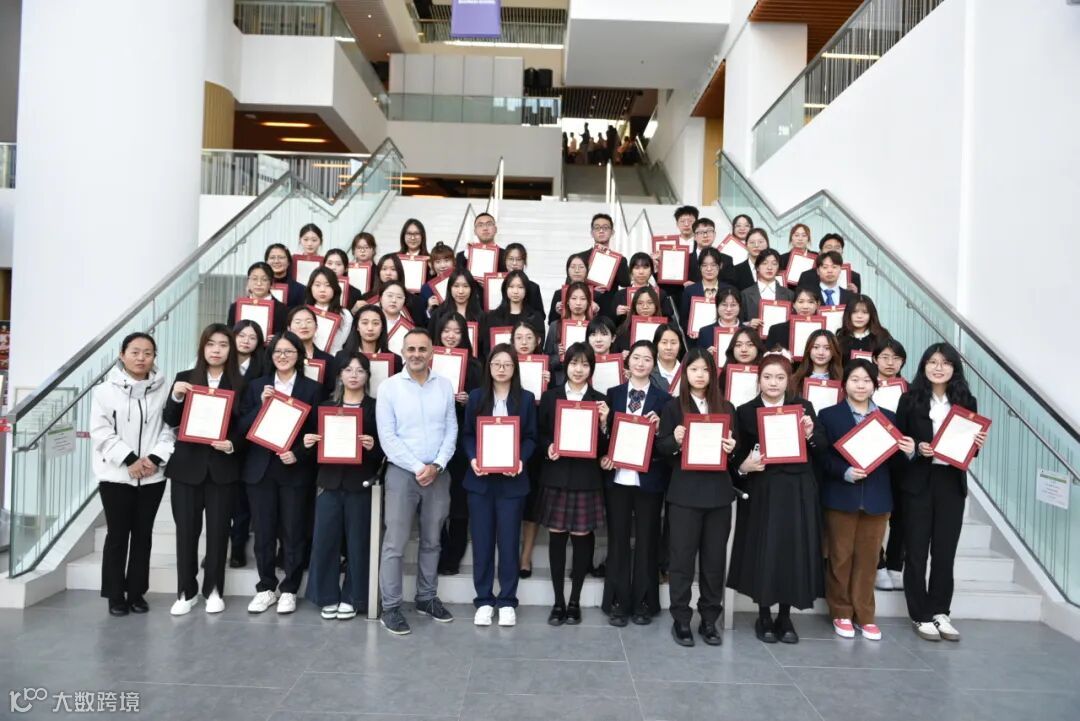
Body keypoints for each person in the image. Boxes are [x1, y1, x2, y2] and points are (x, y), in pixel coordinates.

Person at [728, 354, 825, 644]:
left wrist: (810, 435)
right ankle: (764, 615)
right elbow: (736, 456)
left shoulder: (803, 408)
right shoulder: (745, 411)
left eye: (780, 377)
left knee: (791, 551)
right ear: (759, 379)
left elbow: (821, 447)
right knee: (765, 550)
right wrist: (743, 467)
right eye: (768, 377)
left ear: (789, 381)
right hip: (763, 489)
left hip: (797, 489)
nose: (773, 383)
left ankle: (785, 616)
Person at [818, 359, 914, 640]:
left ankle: (865, 615)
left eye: (866, 381)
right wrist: (844, 472)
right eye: (855, 379)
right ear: (844, 383)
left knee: (869, 559)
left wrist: (909, 452)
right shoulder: (829, 415)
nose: (860, 385)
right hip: (841, 495)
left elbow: (894, 465)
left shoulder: (888, 418)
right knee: (840, 557)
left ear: (875, 385)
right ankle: (841, 612)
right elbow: (822, 457)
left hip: (877, 498)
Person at [897, 343, 987, 643]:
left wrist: (977, 444)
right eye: (933, 362)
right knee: (916, 551)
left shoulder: (966, 401)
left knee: (945, 551)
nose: (938, 368)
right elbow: (899, 442)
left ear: (954, 368)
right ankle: (920, 613)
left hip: (950, 482)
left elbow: (969, 449)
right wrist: (916, 448)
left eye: (945, 363)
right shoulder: (909, 399)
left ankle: (940, 611)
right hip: (918, 482)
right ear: (923, 365)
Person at [375, 328, 458, 635]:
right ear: (402, 352)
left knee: (433, 540)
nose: (416, 354)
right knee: (395, 544)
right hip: (402, 473)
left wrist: (437, 465)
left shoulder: (444, 386)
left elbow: (451, 429)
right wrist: (418, 466)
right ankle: (391, 607)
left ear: (432, 352)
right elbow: (387, 436)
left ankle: (426, 597)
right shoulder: (389, 388)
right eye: (411, 349)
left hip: (438, 473)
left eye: (422, 349)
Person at [657, 348, 738, 646]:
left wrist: (732, 449)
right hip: (685, 494)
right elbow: (661, 449)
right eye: (694, 369)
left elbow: (735, 452)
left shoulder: (726, 408)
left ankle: (708, 619)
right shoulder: (673, 408)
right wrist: (675, 441)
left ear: (713, 373)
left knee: (714, 561)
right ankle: (681, 619)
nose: (700, 375)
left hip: (718, 495)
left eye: (705, 369)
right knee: (681, 560)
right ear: (685, 373)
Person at [90, 332, 174, 616]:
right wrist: (129, 459)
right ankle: (115, 595)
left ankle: (137, 592)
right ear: (122, 355)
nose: (141, 358)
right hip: (116, 476)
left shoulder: (164, 389)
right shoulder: (104, 391)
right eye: (135, 352)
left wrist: (154, 458)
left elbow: (170, 429)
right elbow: (100, 432)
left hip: (152, 475)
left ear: (154, 357)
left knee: (143, 535)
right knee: (117, 536)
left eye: (148, 353)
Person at [163, 324, 245, 616]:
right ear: (202, 347)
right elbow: (170, 418)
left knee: (219, 533)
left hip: (222, 468)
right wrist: (176, 397)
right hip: (187, 468)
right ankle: (186, 592)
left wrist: (232, 444)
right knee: (186, 532)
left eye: (223, 344)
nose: (216, 350)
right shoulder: (185, 379)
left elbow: (245, 426)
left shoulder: (241, 383)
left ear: (230, 349)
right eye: (211, 344)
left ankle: (213, 590)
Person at [238, 331, 322, 615]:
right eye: (277, 352)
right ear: (270, 356)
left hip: (293, 469)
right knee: (263, 532)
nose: (282, 356)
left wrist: (298, 453)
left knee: (293, 531)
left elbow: (317, 432)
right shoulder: (256, 386)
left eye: (289, 351)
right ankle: (265, 587)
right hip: (260, 470)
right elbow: (241, 428)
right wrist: (261, 405)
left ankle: (289, 589)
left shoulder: (312, 389)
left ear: (299, 356)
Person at [303, 353, 383, 620]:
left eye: (360, 370)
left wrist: (373, 447)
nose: (354, 375)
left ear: (367, 376)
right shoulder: (325, 406)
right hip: (329, 482)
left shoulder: (375, 407)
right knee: (325, 540)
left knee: (359, 543)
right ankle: (326, 596)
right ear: (339, 375)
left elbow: (385, 449)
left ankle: (354, 597)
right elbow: (313, 448)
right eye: (348, 370)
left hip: (361, 483)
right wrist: (309, 444)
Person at [463, 345, 538, 626]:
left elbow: (531, 437)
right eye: (497, 363)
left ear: (514, 368)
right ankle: (483, 600)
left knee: (508, 543)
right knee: (482, 543)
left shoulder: (526, 399)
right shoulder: (476, 397)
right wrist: (473, 458)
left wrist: (520, 459)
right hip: (480, 482)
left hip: (512, 483)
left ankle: (507, 600)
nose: (502, 369)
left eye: (507, 364)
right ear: (489, 367)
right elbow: (467, 435)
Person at [538, 343, 612, 625]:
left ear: (591, 368)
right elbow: (540, 433)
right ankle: (558, 601)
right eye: (574, 363)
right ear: (565, 365)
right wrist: (548, 446)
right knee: (557, 538)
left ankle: (574, 601)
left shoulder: (600, 401)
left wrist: (604, 423)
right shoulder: (551, 397)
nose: (578, 369)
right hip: (557, 475)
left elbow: (605, 447)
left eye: (585, 364)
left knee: (582, 539)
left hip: (586, 478)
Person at [600, 340, 670, 624]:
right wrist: (605, 452)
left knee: (647, 541)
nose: (641, 363)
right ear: (627, 362)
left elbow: (666, 446)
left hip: (648, 479)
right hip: (618, 478)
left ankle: (644, 602)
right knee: (617, 540)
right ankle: (617, 600)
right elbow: (603, 437)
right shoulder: (613, 394)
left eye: (647, 359)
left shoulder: (664, 400)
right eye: (636, 358)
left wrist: (661, 428)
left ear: (654, 364)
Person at [433, 313, 483, 575]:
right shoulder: (429, 362)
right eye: (446, 331)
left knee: (459, 499)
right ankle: (438, 547)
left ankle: (454, 553)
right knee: (435, 497)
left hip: (462, 439)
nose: (451, 336)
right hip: (433, 438)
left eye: (457, 331)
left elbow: (483, 403)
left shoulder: (475, 367)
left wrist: (468, 399)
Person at [874, 337, 909, 591]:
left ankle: (896, 564)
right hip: (871, 457)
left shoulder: (911, 390)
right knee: (874, 514)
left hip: (900, 459)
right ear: (875, 359)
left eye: (896, 358)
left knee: (901, 514)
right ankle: (878, 564)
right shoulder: (864, 383)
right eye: (885, 357)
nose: (890, 363)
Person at [570, 213, 630, 292]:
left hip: (610, 299)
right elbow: (569, 285)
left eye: (605, 228)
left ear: (612, 232)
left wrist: (611, 257)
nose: (601, 231)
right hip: (586, 299)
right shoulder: (579, 258)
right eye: (597, 228)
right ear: (592, 233)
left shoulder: (620, 260)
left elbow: (625, 283)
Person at [226, 261, 288, 337]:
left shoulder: (282, 309)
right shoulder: (235, 307)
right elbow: (230, 334)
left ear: (271, 283)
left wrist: (276, 339)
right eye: (254, 279)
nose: (259, 283)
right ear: (248, 282)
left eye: (264, 279)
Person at [681, 247, 734, 331]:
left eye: (713, 265)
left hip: (722, 335)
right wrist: (692, 331)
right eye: (704, 265)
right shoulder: (690, 291)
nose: (709, 269)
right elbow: (683, 320)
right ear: (699, 267)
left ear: (720, 266)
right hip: (697, 337)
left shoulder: (729, 290)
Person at [305, 267, 352, 356]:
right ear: (310, 287)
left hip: (334, 358)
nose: (322, 290)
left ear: (335, 288)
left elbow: (341, 342)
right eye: (317, 285)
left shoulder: (345, 314)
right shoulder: (303, 312)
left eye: (328, 285)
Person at [741, 249, 794, 325]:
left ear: (778, 268)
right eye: (764, 263)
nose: (769, 267)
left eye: (774, 264)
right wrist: (748, 324)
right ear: (757, 267)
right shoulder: (745, 294)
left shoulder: (789, 294)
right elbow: (738, 322)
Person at [795, 233, 862, 293]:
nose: (833, 250)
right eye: (829, 247)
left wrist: (855, 295)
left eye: (837, 247)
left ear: (842, 252)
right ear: (820, 253)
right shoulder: (806, 276)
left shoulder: (854, 277)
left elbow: (857, 301)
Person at [764, 287, 823, 352]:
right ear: (794, 305)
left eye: (811, 302)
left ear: (818, 305)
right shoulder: (776, 330)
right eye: (801, 302)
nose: (805, 306)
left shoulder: (823, 330)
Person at [836, 294, 890, 359]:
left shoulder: (882, 336)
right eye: (854, 312)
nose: (859, 316)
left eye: (865, 312)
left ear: (871, 315)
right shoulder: (840, 337)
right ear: (848, 314)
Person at [686, 218, 735, 286]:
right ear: (694, 236)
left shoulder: (727, 259)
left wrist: (699, 287)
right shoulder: (685, 259)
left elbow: (730, 285)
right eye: (700, 232)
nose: (705, 235)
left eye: (709, 231)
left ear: (714, 234)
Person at [503, 243, 546, 317]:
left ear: (524, 262)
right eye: (511, 259)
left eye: (518, 259)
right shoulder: (494, 283)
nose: (514, 263)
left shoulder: (533, 287)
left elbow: (540, 316)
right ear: (505, 261)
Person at [695, 288, 745, 352]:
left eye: (733, 305)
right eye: (724, 305)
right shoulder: (705, 332)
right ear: (717, 306)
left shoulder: (748, 331)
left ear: (739, 307)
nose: (728, 309)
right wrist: (706, 354)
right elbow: (699, 356)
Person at [614, 287, 662, 352]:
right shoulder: (622, 330)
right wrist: (622, 355)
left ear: (656, 305)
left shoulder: (665, 330)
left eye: (650, 302)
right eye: (640, 303)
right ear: (634, 306)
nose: (645, 307)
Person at [264, 243, 307, 307]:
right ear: (266, 262)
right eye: (272, 258)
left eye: (281, 257)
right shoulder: (260, 287)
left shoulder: (301, 290)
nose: (276, 261)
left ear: (289, 262)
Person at [650, 323, 684, 391]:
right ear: (656, 344)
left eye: (673, 343)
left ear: (680, 345)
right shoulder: (648, 371)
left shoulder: (687, 372)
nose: (669, 347)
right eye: (664, 342)